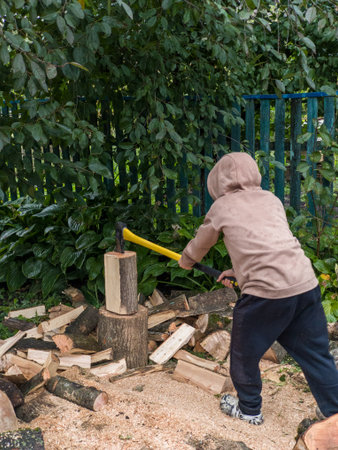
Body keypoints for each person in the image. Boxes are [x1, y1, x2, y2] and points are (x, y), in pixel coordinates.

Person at [178, 152, 338, 425]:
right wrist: (239, 271)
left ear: (217, 183)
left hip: (266, 294)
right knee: (315, 353)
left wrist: (187, 260)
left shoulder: (222, 206)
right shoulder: (271, 199)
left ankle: (250, 410)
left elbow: (203, 239)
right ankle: (334, 411)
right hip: (304, 284)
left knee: (243, 352)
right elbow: (269, 244)